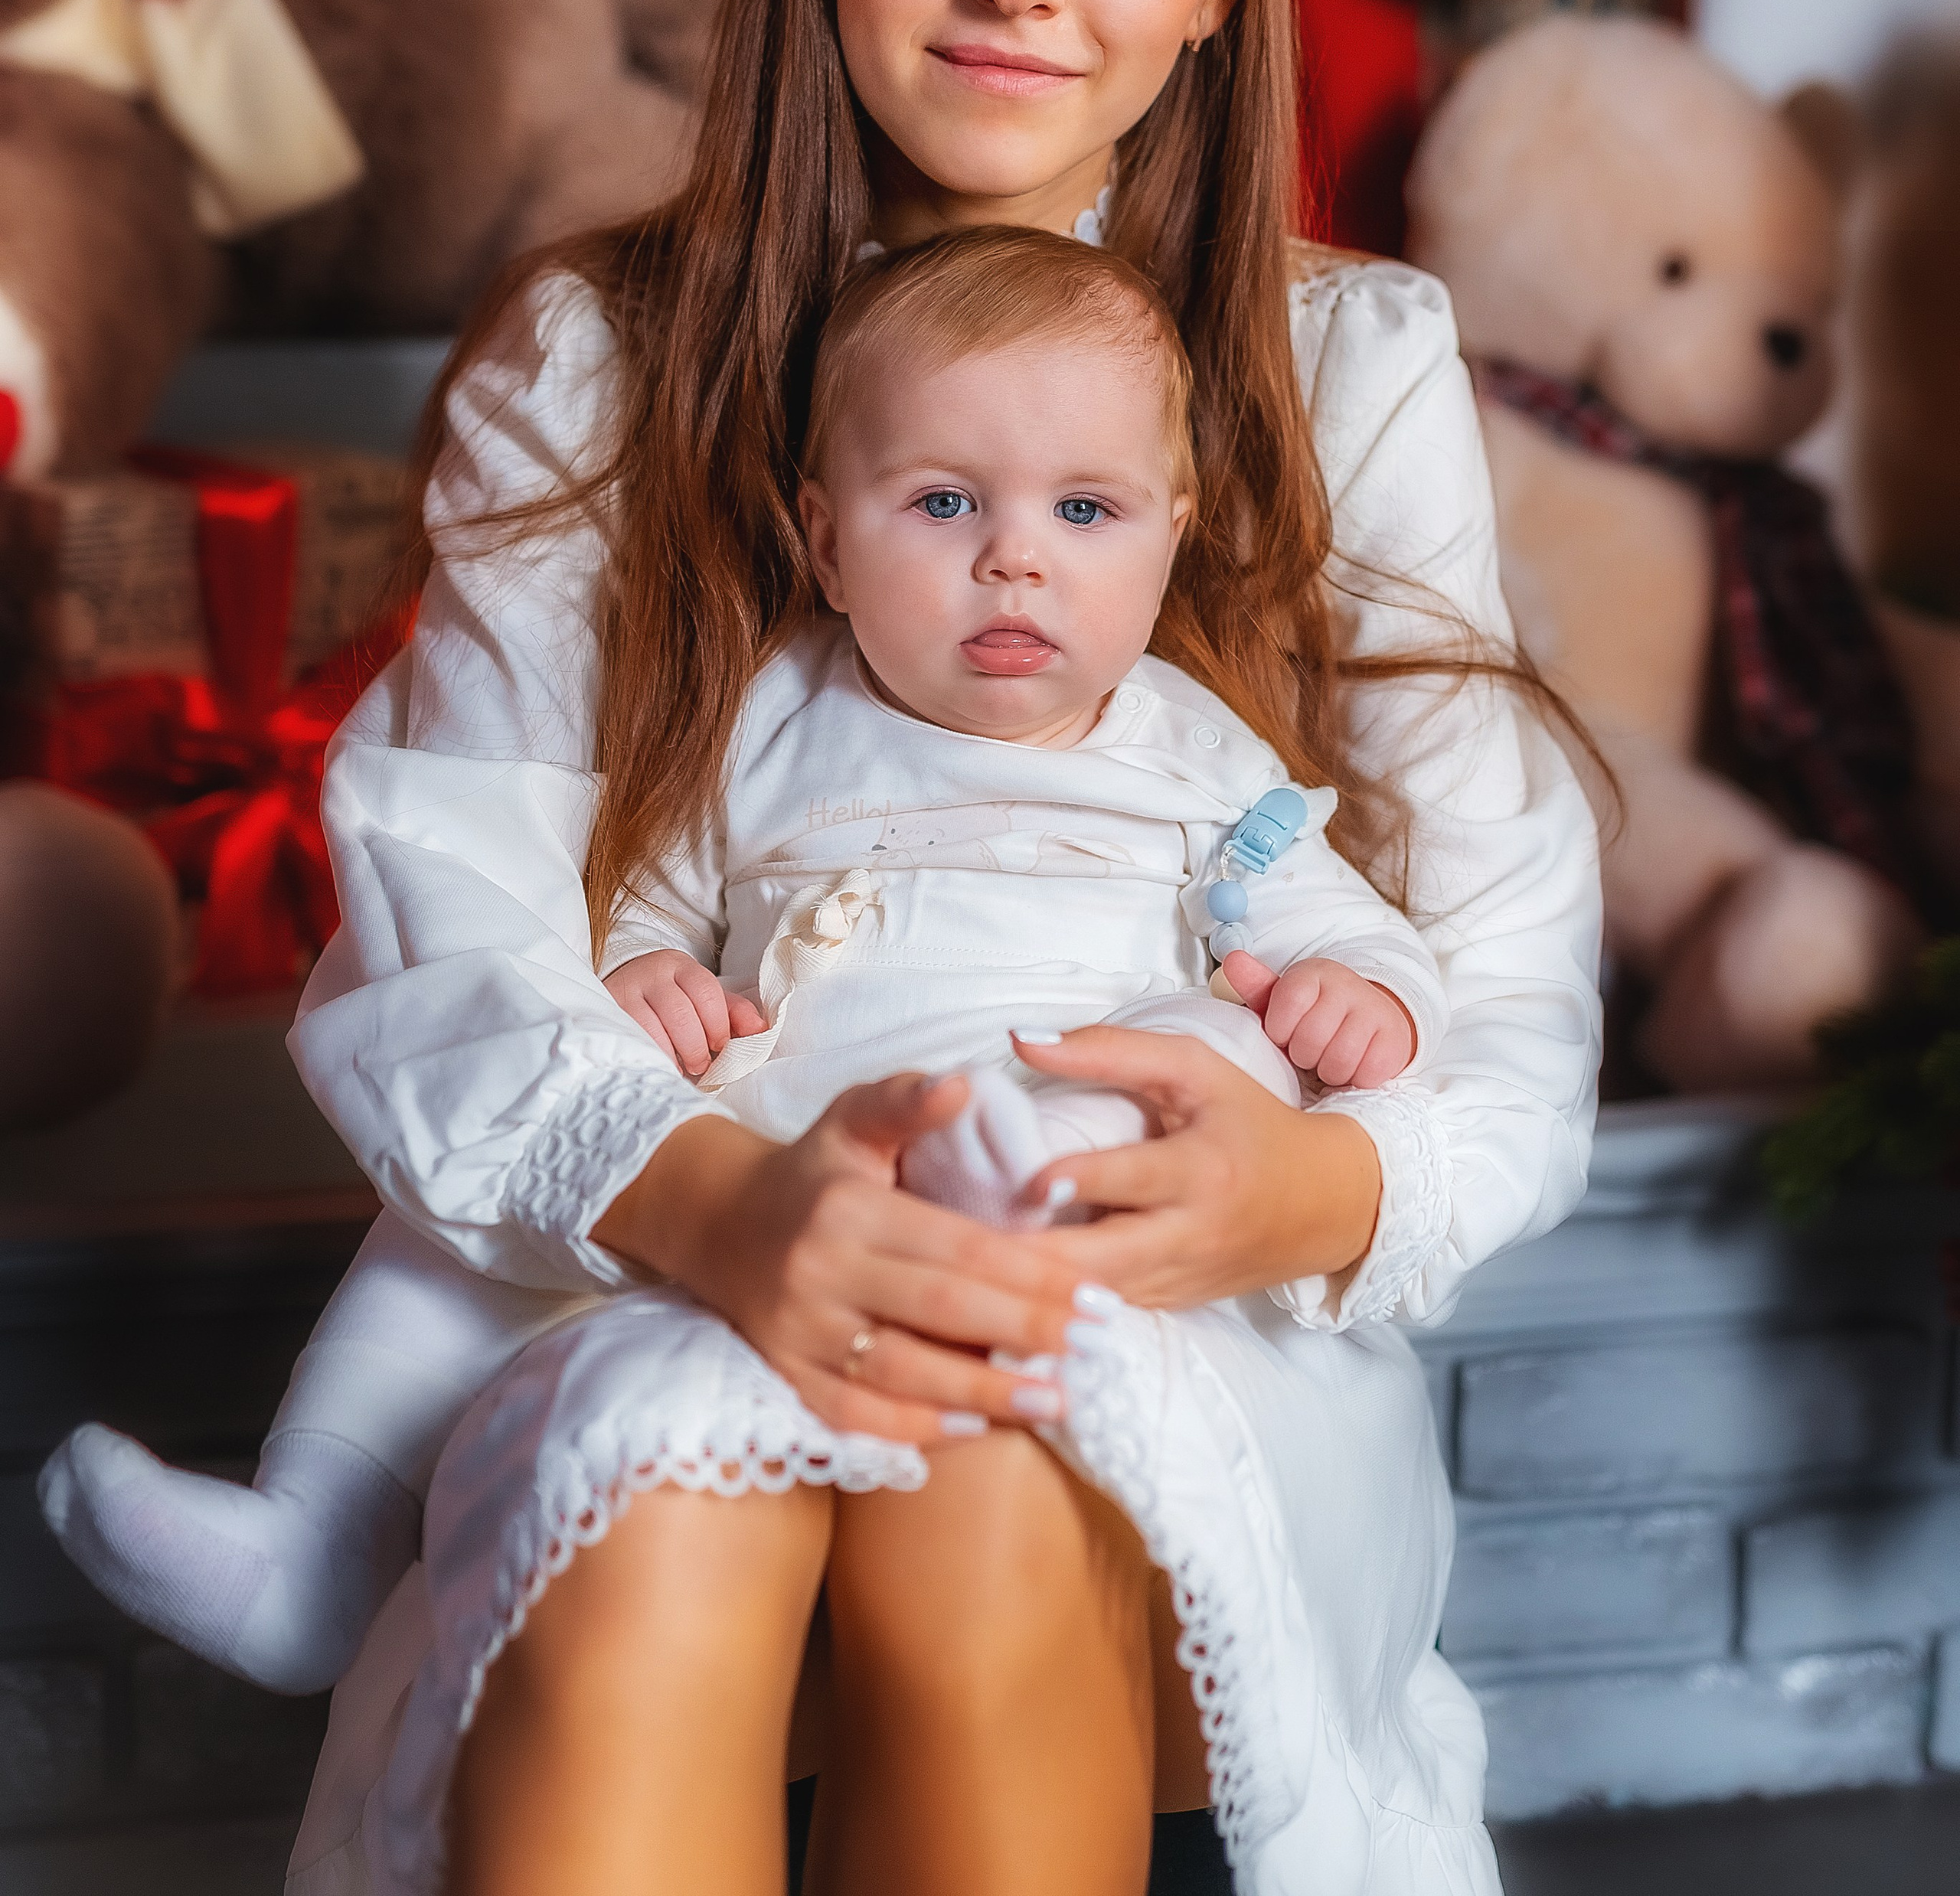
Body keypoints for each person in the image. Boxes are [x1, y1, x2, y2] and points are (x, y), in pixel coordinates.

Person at [223, 0, 1593, 1896]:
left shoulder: (1345, 372)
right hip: (690, 1245)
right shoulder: (603, 363)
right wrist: (725, 1206)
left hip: (1195, 1315)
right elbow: (448, 931)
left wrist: (1316, 1179)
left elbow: (1502, 1001)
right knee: (657, 1487)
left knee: (979, 1471)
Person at [41, 228, 1447, 1705]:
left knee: (1203, 1048)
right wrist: (648, 972)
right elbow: (652, 891)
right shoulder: (769, 718)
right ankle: (312, 1540)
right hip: (776, 1144)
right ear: (827, 539)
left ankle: (1005, 1189)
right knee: (472, 1196)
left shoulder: (1200, 756)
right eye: (944, 500)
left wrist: (1360, 986)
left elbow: (1328, 917)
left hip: (1053, 1126)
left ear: (1170, 533)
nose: (1014, 553)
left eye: (1086, 508)